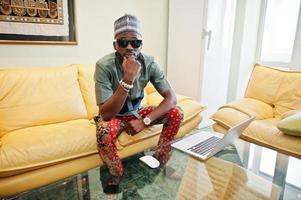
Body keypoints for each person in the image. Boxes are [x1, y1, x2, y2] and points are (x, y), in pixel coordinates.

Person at [94, 14, 184, 194]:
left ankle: (160, 161)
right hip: (116, 116)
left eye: (135, 43)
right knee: (103, 131)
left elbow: (171, 98)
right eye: (123, 42)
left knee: (176, 112)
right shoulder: (103, 66)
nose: (129, 47)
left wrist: (145, 121)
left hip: (137, 113)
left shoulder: (149, 62)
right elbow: (106, 114)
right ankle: (115, 173)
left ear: (141, 45)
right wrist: (128, 79)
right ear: (115, 45)